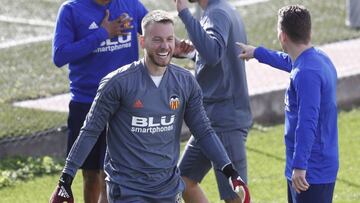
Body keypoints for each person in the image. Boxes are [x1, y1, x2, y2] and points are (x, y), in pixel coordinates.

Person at [50, 10, 250, 203]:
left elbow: (204, 131)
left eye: (169, 39)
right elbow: (90, 132)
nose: (165, 46)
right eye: (157, 40)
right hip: (127, 191)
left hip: (167, 190)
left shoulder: (186, 82)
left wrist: (229, 171)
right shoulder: (117, 83)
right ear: (142, 41)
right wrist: (65, 179)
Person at [237, 4, 338, 203]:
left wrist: (300, 166)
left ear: (283, 36)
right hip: (307, 166)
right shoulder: (316, 59)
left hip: (310, 171)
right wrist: (257, 53)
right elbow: (290, 61)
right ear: (308, 31)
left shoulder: (307, 74)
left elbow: (307, 122)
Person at [52, 0, 148, 202]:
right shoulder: (71, 10)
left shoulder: (131, 5)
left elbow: (155, 32)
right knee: (91, 174)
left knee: (112, 174)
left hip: (124, 103)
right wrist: (103, 33)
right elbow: (60, 55)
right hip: (86, 103)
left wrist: (181, 48)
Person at [174, 0, 253, 202]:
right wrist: (192, 52)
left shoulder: (216, 13)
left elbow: (213, 54)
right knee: (183, 179)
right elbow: (219, 59)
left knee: (234, 195)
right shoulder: (220, 10)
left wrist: (184, 13)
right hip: (211, 120)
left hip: (225, 119)